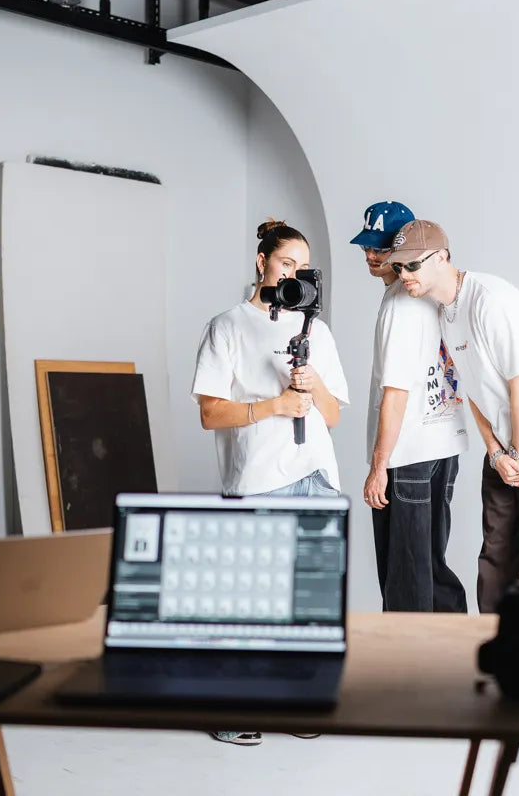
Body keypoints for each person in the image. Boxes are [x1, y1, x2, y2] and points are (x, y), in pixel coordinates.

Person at [191, 219, 349, 745]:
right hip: (259, 476)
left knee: (310, 601)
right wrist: (274, 405)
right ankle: (236, 708)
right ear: (262, 263)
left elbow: (332, 416)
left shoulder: (316, 331)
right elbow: (211, 413)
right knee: (251, 598)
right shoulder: (228, 325)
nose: (294, 274)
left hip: (315, 474)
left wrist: (313, 384)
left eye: (303, 267)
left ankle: (297, 705)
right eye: (286, 263)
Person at [386, 220, 519, 614]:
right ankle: (498, 655)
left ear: (442, 257)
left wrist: (517, 451)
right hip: (506, 443)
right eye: (398, 267)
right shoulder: (446, 312)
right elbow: (474, 391)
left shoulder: (491, 301)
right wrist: (496, 452)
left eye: (412, 266)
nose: (404, 276)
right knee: (496, 555)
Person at [351, 201, 468, 613]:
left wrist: (379, 466)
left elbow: (396, 392)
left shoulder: (401, 304)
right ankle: (453, 658)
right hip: (441, 443)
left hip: (409, 454)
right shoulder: (427, 293)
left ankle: (407, 673)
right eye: (367, 247)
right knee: (431, 567)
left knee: (405, 577)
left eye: (382, 249)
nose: (372, 256)